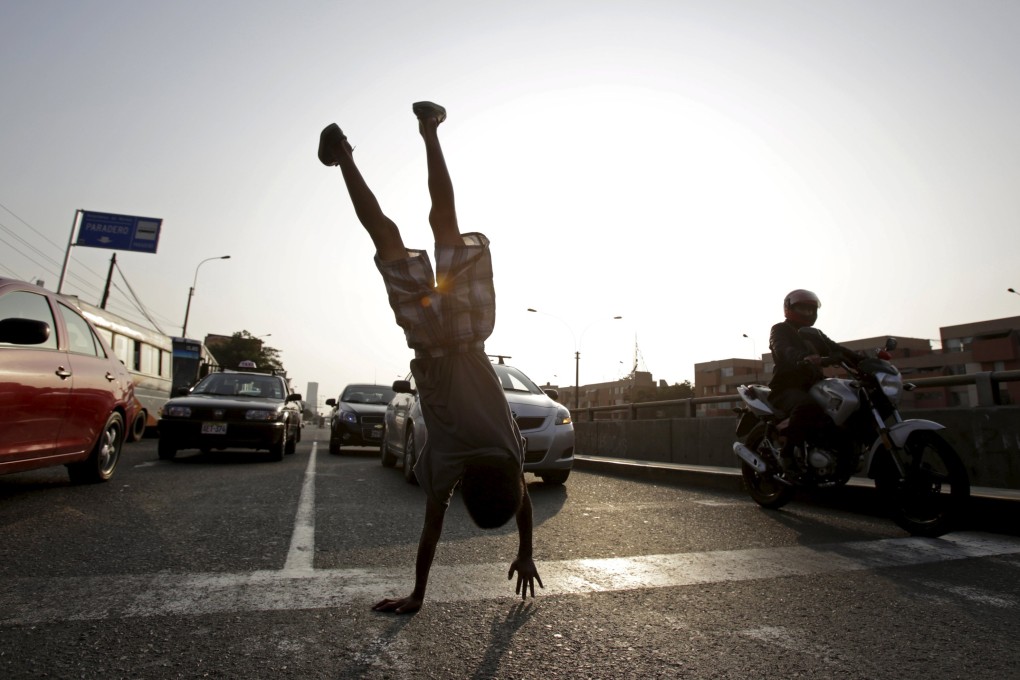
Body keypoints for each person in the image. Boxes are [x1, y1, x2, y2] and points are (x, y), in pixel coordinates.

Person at [317, 101, 542, 614]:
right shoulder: (445, 470)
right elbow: (430, 534)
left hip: (467, 334)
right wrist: (416, 595)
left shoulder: (509, 454)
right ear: (466, 491)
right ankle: (344, 158)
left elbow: (522, 504)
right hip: (428, 338)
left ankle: (429, 129)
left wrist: (527, 551)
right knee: (387, 239)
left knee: (445, 226)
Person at [768, 289, 859, 470]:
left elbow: (836, 349)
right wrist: (801, 357)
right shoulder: (780, 329)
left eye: (811, 310)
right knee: (807, 406)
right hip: (786, 388)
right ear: (789, 308)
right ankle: (787, 454)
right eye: (803, 309)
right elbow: (782, 348)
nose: (808, 313)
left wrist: (864, 360)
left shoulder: (814, 334)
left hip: (814, 385)